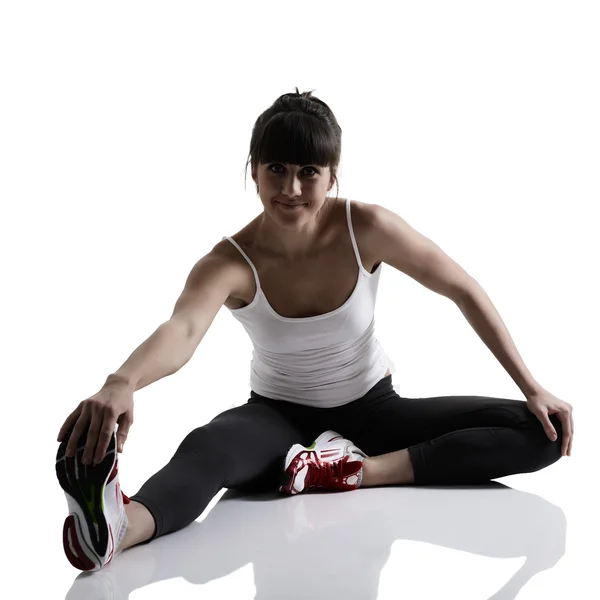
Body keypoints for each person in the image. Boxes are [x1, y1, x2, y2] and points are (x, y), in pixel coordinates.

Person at [55, 87, 574, 573]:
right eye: (276, 169)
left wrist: (531, 387)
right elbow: (183, 330)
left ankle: (352, 471)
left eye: (309, 171)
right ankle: (116, 531)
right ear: (253, 171)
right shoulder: (229, 262)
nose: (291, 189)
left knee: (541, 432)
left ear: (332, 176)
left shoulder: (366, 227)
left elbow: (463, 288)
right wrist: (122, 381)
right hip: (277, 420)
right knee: (208, 447)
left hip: (375, 411)